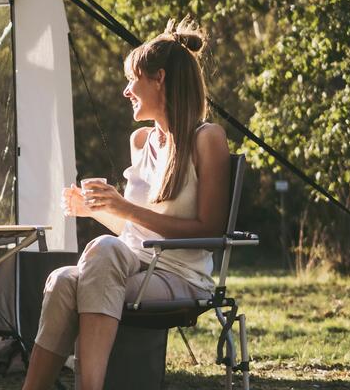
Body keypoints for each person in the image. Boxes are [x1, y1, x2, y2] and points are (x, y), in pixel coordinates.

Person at [23, 22, 231, 390]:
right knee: (61, 279)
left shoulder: (207, 138)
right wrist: (98, 210)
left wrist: (124, 208)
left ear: (159, 79)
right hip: (132, 268)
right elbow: (138, 233)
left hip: (180, 277)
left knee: (98, 256)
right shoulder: (141, 141)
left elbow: (211, 232)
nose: (125, 90)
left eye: (132, 79)